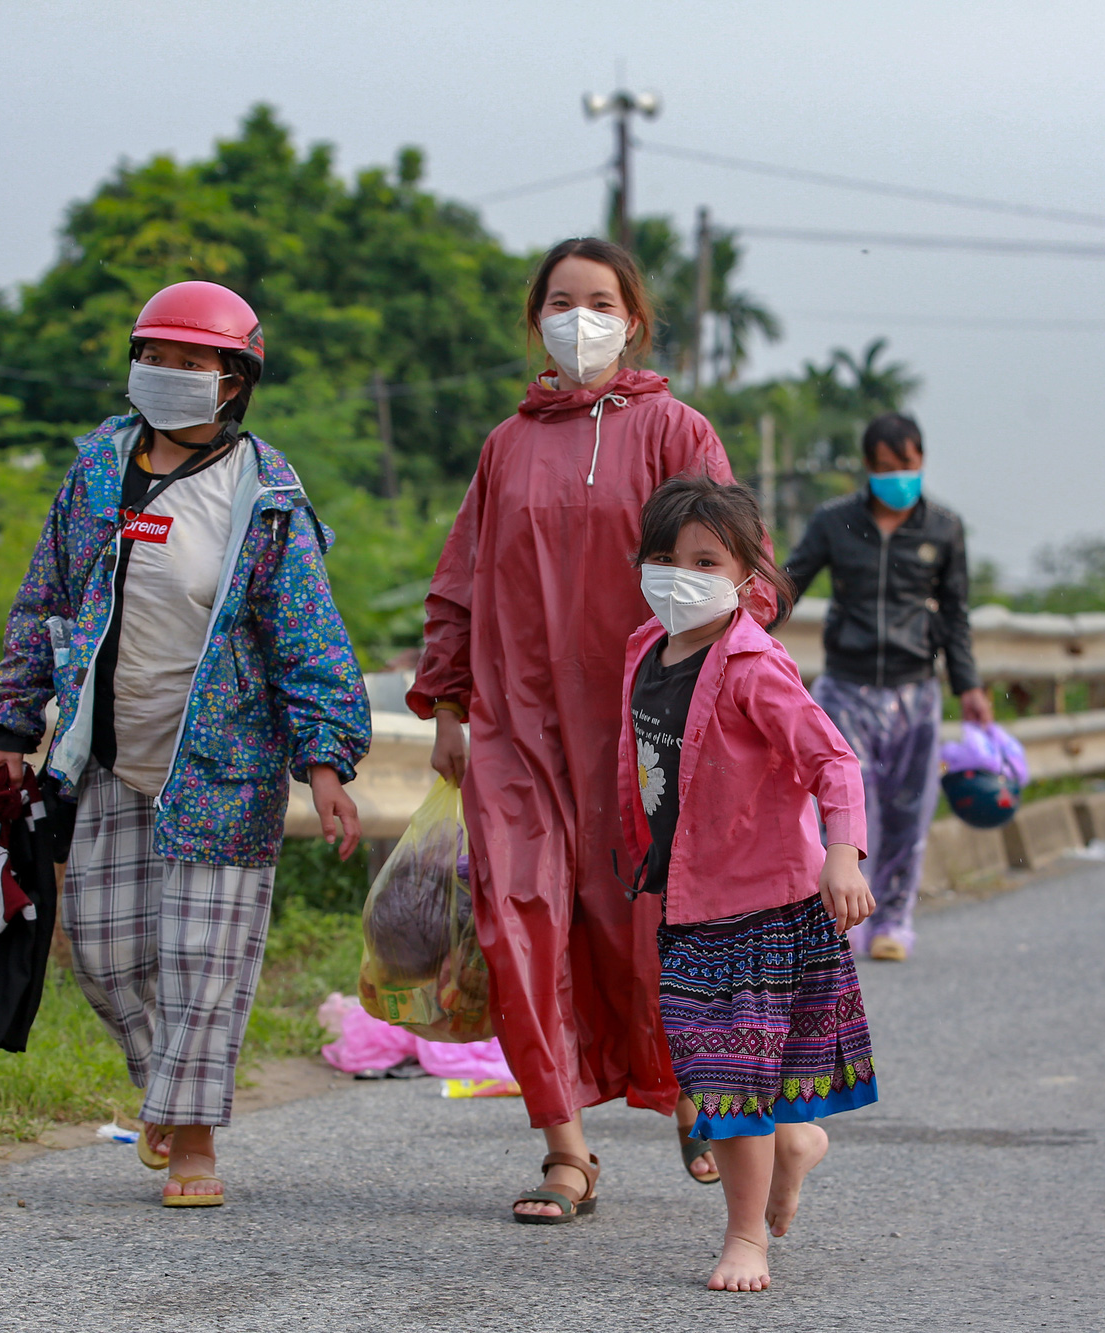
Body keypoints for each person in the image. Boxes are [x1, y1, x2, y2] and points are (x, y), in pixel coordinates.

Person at [0, 281, 370, 1207]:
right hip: (107, 754)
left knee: (205, 962)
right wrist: (10, 722)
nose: (169, 375)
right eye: (155, 357)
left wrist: (325, 764)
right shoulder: (98, 470)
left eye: (193, 363)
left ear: (236, 380)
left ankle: (193, 1142)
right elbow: (46, 599)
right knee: (106, 953)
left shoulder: (266, 494)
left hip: (222, 768)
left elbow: (306, 638)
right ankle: (169, 1088)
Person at [410, 238, 762, 1219]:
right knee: (518, 920)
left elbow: (742, 576)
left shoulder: (677, 431)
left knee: (651, 925)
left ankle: (690, 1080)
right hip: (518, 728)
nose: (580, 317)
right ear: (535, 319)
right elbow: (460, 577)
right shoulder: (504, 445)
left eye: (599, 300)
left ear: (634, 317)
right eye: (560, 300)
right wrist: (445, 702)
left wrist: (725, 698)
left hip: (643, 732)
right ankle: (565, 1151)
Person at [619, 474, 877, 1292]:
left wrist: (843, 853)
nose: (679, 574)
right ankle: (795, 1145)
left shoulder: (755, 666)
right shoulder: (644, 652)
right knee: (709, 1074)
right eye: (664, 557)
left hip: (765, 907)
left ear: (747, 579)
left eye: (705, 560)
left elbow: (833, 759)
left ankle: (746, 1240)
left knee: (729, 1086)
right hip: (689, 905)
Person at [782, 412, 988, 963]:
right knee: (844, 809)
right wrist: (741, 633)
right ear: (868, 469)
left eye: (906, 466)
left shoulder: (944, 528)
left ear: (921, 461)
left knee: (908, 811)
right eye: (883, 468)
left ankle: (894, 920)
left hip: (916, 688)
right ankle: (837, 923)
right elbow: (789, 585)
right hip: (846, 687)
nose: (896, 477)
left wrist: (968, 686)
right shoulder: (835, 522)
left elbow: (955, 615)